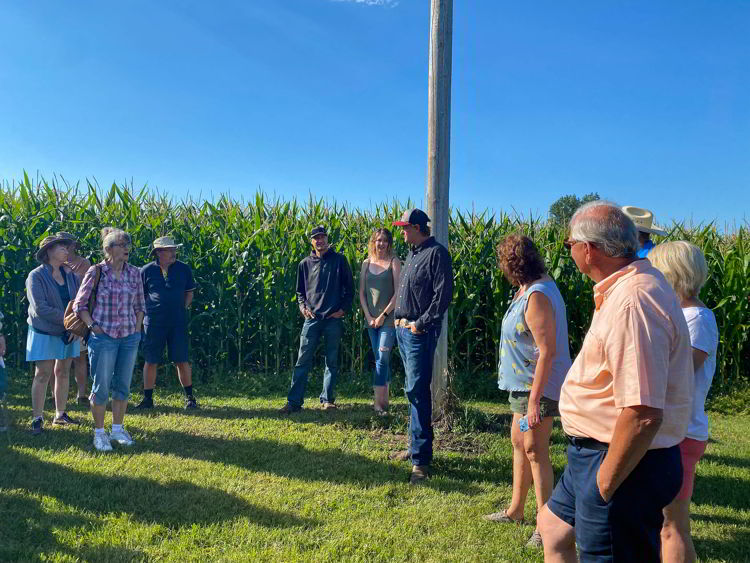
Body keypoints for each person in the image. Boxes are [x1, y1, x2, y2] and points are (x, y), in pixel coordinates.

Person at [537, 201, 693, 562]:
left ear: (588, 250)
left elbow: (642, 412)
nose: (570, 250)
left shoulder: (633, 301)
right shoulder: (625, 288)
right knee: (553, 527)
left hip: (619, 460)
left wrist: (605, 485)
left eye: (569, 244)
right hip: (591, 455)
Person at [484, 234, 572, 548]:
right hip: (521, 387)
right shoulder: (527, 289)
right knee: (520, 443)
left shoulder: (538, 295)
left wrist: (535, 401)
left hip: (539, 388)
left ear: (514, 264)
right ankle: (516, 510)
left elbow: (547, 351)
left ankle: (545, 524)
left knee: (536, 449)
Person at [649, 241, 719, 563]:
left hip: (681, 433)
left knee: (672, 525)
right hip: (671, 433)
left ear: (672, 274)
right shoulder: (683, 316)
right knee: (667, 522)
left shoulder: (697, 320)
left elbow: (678, 376)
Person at [392, 208, 453, 484]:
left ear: (417, 227)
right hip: (404, 331)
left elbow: (443, 296)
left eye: (405, 227)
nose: (402, 232)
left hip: (418, 333)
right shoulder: (413, 253)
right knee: (411, 390)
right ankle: (413, 446)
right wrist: (399, 320)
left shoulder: (436, 253)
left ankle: (421, 460)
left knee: (418, 392)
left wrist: (420, 324)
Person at [73, 228, 145, 452]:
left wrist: (136, 327)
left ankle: (117, 428)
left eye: (128, 245)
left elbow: (140, 304)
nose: (126, 249)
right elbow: (79, 305)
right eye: (122, 244)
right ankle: (99, 433)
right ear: (108, 249)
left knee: (123, 386)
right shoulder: (96, 272)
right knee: (101, 387)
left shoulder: (135, 273)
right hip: (103, 338)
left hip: (129, 337)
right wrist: (93, 327)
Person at [279, 226, 354, 413]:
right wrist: (303, 308)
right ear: (311, 242)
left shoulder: (339, 261)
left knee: (331, 361)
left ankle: (327, 400)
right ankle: (294, 402)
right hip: (311, 319)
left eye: (322, 237)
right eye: (316, 238)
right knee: (302, 360)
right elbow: (300, 292)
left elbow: (350, 289)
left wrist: (342, 310)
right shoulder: (305, 263)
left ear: (328, 239)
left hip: (332, 319)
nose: (319, 241)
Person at [26, 235, 81, 434]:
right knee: (42, 374)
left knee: (64, 372)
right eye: (62, 248)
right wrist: (70, 321)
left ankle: (60, 414)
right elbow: (41, 308)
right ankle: (37, 418)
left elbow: (79, 303)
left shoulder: (72, 276)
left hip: (68, 332)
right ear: (49, 251)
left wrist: (76, 326)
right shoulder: (36, 276)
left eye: (67, 248)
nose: (67, 251)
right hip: (44, 331)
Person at [135, 236, 197, 410]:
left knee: (181, 359)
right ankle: (148, 399)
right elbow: (139, 297)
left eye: (174, 249)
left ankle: (190, 398)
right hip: (153, 322)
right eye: (169, 250)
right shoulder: (146, 271)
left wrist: (180, 309)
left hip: (178, 322)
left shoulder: (184, 269)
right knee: (151, 359)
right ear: (158, 253)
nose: (173, 252)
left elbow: (189, 293)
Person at [359, 228, 401, 414]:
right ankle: (385, 401)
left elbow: (398, 293)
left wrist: (382, 316)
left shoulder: (394, 262)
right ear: (373, 242)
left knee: (382, 358)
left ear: (389, 243)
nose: (381, 244)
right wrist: (369, 317)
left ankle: (378, 404)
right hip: (371, 321)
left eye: (384, 240)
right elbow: (361, 293)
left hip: (389, 319)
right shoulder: (366, 264)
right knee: (379, 359)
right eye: (378, 240)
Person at [58, 232, 92, 406]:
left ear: (72, 246)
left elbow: (87, 289)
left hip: (76, 315)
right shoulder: (56, 264)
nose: (64, 247)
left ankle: (81, 394)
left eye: (66, 244)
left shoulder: (83, 263)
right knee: (57, 358)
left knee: (79, 356)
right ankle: (55, 393)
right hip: (58, 315)